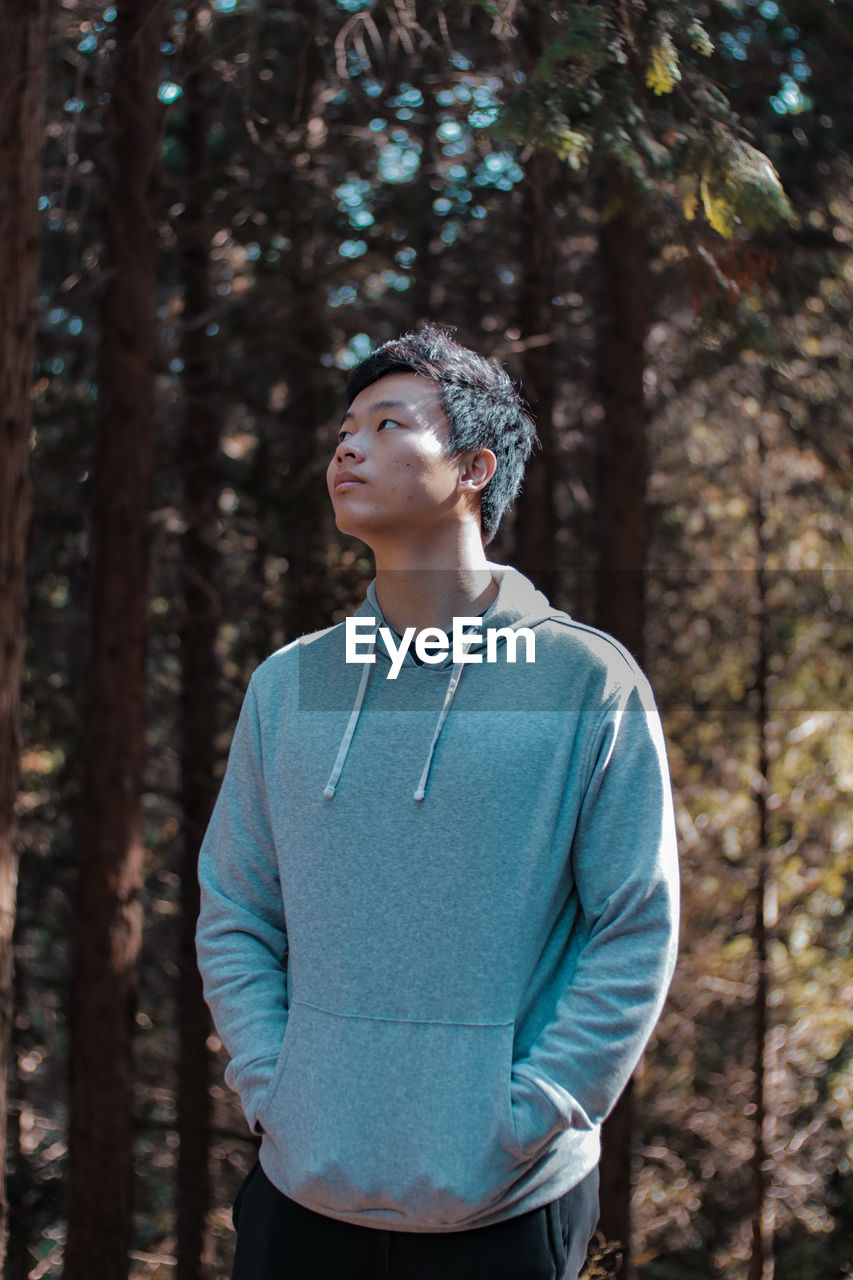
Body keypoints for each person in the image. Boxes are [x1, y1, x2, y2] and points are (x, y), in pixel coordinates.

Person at [196, 323, 679, 1280]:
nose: (347, 446)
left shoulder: (583, 681)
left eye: (386, 424)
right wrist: (272, 1083)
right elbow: (237, 909)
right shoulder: (290, 686)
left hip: (503, 1209)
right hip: (299, 1197)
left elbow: (633, 926)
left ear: (471, 467)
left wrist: (532, 1111)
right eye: (344, 429)